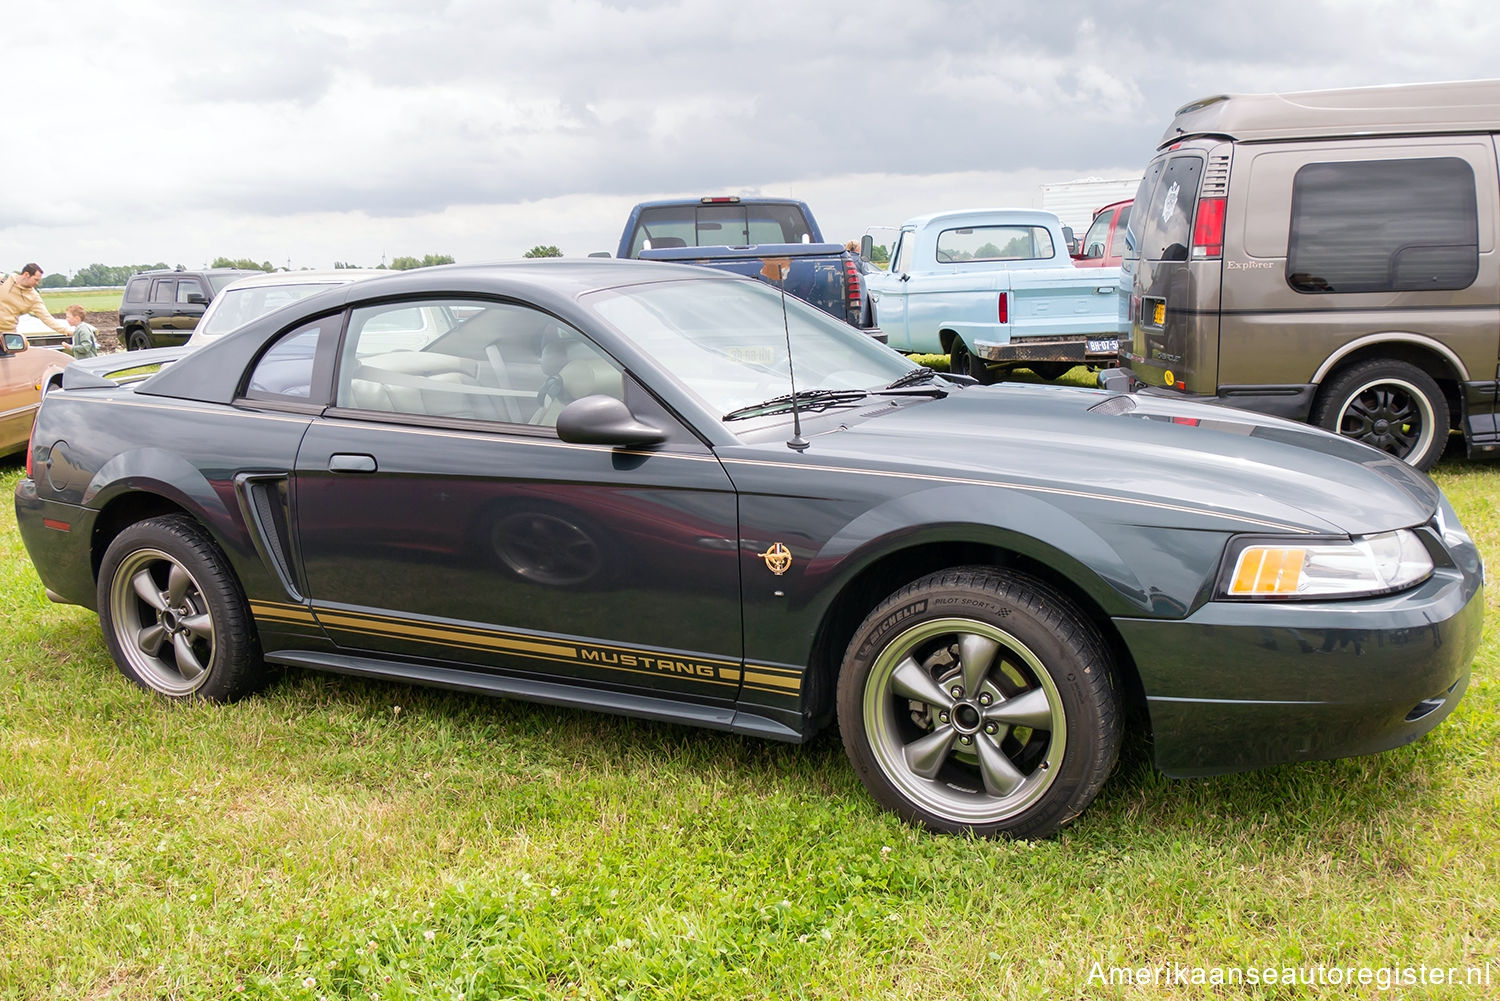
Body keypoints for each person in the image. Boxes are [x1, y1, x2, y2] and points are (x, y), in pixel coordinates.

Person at [1, 263, 72, 348]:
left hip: (7, 335)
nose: (37, 283)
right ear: (26, 274)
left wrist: (67, 331)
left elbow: (47, 318)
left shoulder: (33, 298)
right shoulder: (4, 279)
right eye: (36, 279)